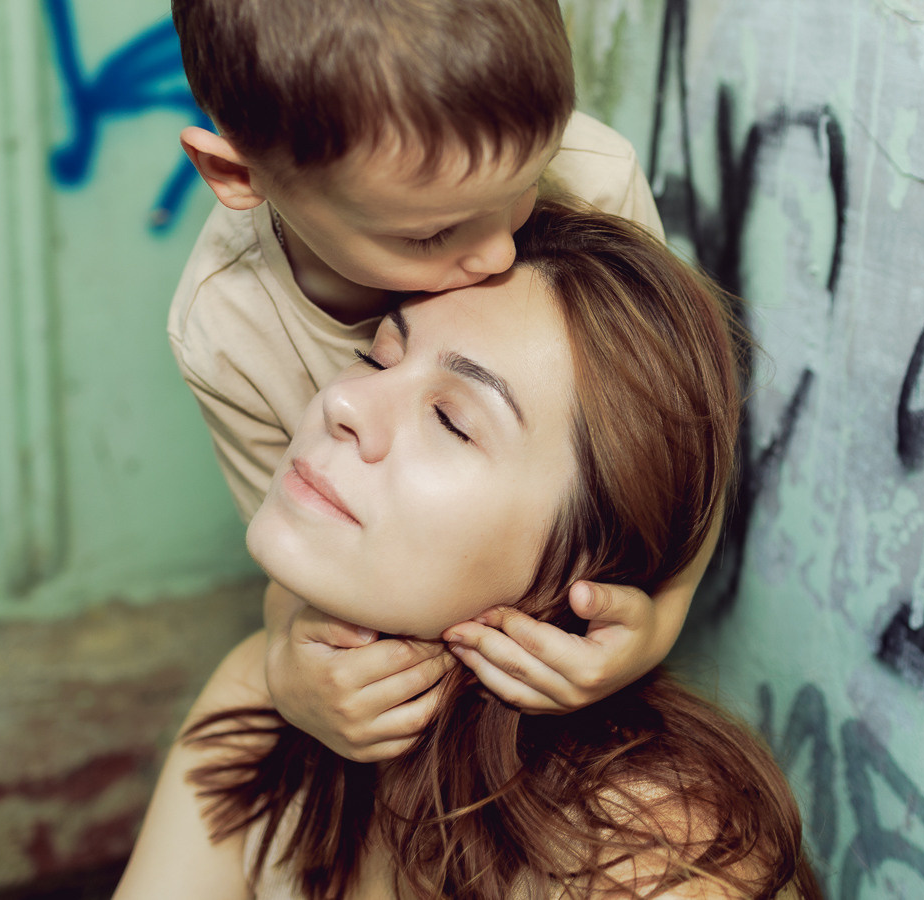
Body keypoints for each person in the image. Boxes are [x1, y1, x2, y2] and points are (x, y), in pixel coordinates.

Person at [115, 201, 824, 899]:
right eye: (376, 355)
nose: (344, 404)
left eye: (452, 421)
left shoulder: (661, 861)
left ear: (588, 561)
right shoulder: (260, 693)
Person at [168, 0, 721, 766]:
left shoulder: (592, 177)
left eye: (525, 186)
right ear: (239, 175)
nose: (498, 252)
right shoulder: (227, 327)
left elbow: (679, 433)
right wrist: (285, 667)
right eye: (428, 234)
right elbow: (296, 547)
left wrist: (662, 619)